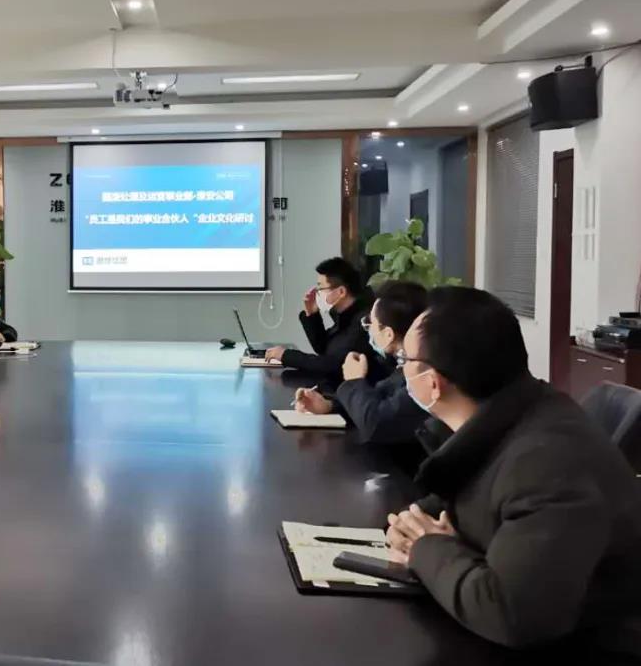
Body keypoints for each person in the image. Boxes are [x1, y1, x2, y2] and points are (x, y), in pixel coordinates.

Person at [385, 287, 641, 660]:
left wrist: (427, 547)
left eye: (404, 360)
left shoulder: (549, 463)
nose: (400, 369)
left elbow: (511, 614)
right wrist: (413, 526)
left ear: (433, 382)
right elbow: (455, 502)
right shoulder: (512, 416)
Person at [293, 281, 428, 446]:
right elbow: (378, 400)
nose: (369, 329)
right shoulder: (400, 366)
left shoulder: (421, 375)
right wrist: (329, 406)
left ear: (388, 335)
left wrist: (354, 381)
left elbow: (376, 424)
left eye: (371, 323)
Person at [264, 257, 379, 384]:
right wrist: (312, 314)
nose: (317, 294)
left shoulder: (364, 321)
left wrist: (286, 355)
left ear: (341, 291)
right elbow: (324, 348)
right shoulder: (345, 315)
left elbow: (333, 365)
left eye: (321, 289)